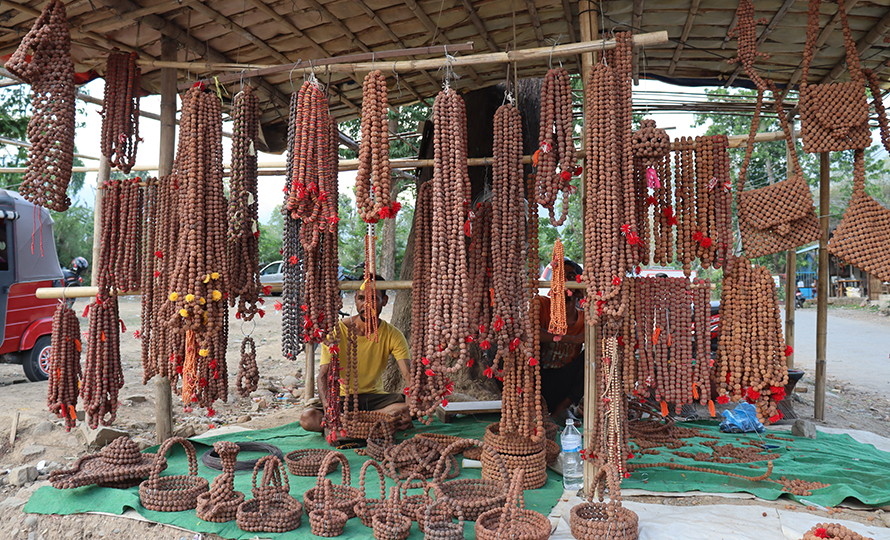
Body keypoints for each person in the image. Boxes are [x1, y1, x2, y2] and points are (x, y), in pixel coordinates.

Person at [299, 277, 413, 434]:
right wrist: (328, 406)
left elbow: (408, 376)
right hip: (342, 399)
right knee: (308, 418)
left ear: (384, 301)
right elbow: (322, 376)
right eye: (361, 298)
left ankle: (353, 422)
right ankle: (374, 421)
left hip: (374, 399)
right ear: (355, 299)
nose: (366, 305)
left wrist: (409, 407)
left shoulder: (393, 335)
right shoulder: (336, 331)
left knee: (418, 407)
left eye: (373, 299)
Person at [536, 258, 585, 419]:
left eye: (570, 276)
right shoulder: (542, 304)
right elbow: (529, 332)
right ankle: (533, 409)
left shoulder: (585, 317)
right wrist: (573, 339)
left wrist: (586, 295)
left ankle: (561, 410)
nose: (564, 281)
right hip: (537, 382)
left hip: (565, 385)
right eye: (559, 276)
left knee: (599, 354)